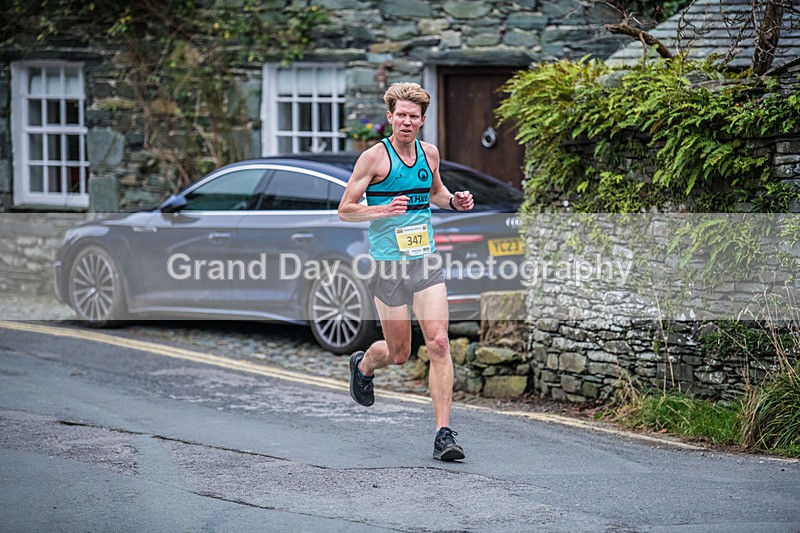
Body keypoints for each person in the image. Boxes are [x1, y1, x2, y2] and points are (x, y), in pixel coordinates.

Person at [338, 82, 474, 461]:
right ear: (390, 118)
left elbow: (435, 194)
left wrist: (455, 201)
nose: (407, 122)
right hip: (388, 265)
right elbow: (345, 209)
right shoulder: (373, 159)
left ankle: (443, 434)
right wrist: (383, 210)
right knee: (399, 353)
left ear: (422, 120)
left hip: (424, 260)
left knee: (439, 343)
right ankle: (364, 364)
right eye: (401, 115)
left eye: (414, 116)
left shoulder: (430, 154)